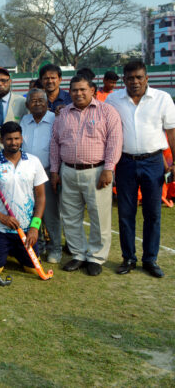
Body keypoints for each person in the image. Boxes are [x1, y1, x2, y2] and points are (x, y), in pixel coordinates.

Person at [106, 60, 175, 278]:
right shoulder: (113, 100)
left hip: (153, 162)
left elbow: (172, 132)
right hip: (125, 162)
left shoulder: (162, 99)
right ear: (123, 79)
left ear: (147, 78)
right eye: (130, 78)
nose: (135, 82)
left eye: (139, 77)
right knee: (126, 213)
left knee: (152, 213)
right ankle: (128, 258)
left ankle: (150, 259)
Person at [50, 74, 123, 276]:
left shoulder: (107, 111)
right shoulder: (63, 114)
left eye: (83, 89)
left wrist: (108, 168)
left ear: (92, 90)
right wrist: (54, 171)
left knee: (99, 216)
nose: (79, 93)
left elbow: (115, 141)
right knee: (70, 216)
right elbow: (55, 143)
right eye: (74, 90)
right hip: (68, 171)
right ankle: (78, 254)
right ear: (70, 92)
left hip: (97, 171)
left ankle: (96, 257)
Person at [0, 121, 47, 275]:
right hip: (0, 230)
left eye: (17, 138)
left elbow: (41, 197)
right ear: (1, 140)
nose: (13, 142)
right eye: (9, 139)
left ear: (22, 139)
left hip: (26, 230)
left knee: (33, 270)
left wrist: (34, 227)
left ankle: (15, 252)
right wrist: (1, 217)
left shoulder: (33, 162)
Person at [20, 88, 62, 264]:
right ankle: (40, 244)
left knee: (50, 214)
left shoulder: (55, 119)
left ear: (47, 103)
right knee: (32, 211)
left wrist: (55, 172)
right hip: (27, 174)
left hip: (47, 172)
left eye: (41, 100)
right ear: (27, 104)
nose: (37, 103)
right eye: (33, 101)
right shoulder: (24, 120)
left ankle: (55, 248)